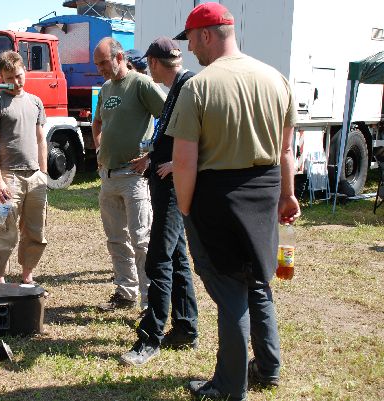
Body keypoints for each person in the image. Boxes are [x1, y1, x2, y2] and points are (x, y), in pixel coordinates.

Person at [167, 3, 301, 400]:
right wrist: (288, 195)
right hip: (263, 192)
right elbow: (286, 151)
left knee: (229, 292)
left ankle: (229, 386)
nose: (189, 47)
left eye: (190, 38)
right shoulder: (276, 79)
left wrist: (187, 208)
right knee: (257, 280)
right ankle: (268, 366)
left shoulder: (198, 87)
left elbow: (184, 160)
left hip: (216, 198)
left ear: (206, 34)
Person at [119, 37, 198, 366]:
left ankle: (150, 338)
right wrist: (154, 157)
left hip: (174, 185)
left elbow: (203, 134)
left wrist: (176, 164)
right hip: (165, 183)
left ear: (153, 62)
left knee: (158, 260)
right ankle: (185, 328)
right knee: (177, 257)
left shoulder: (190, 85)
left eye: (147, 63)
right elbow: (171, 134)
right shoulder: (178, 86)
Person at [92, 37, 166, 312]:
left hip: (134, 177)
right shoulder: (106, 88)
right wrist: (99, 152)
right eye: (97, 63)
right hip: (108, 176)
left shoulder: (141, 84)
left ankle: (150, 303)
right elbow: (97, 122)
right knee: (116, 239)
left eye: (103, 62)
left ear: (119, 57)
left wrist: (151, 156)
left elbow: (169, 119)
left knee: (141, 240)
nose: (100, 68)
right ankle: (126, 292)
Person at [0, 50, 48, 285]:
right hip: (9, 178)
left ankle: (27, 275)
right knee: (5, 230)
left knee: (35, 231)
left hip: (35, 178)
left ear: (24, 71)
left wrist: (43, 173)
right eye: (9, 78)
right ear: (0, 76)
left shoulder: (36, 102)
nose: (16, 82)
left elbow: (42, 139)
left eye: (19, 76)